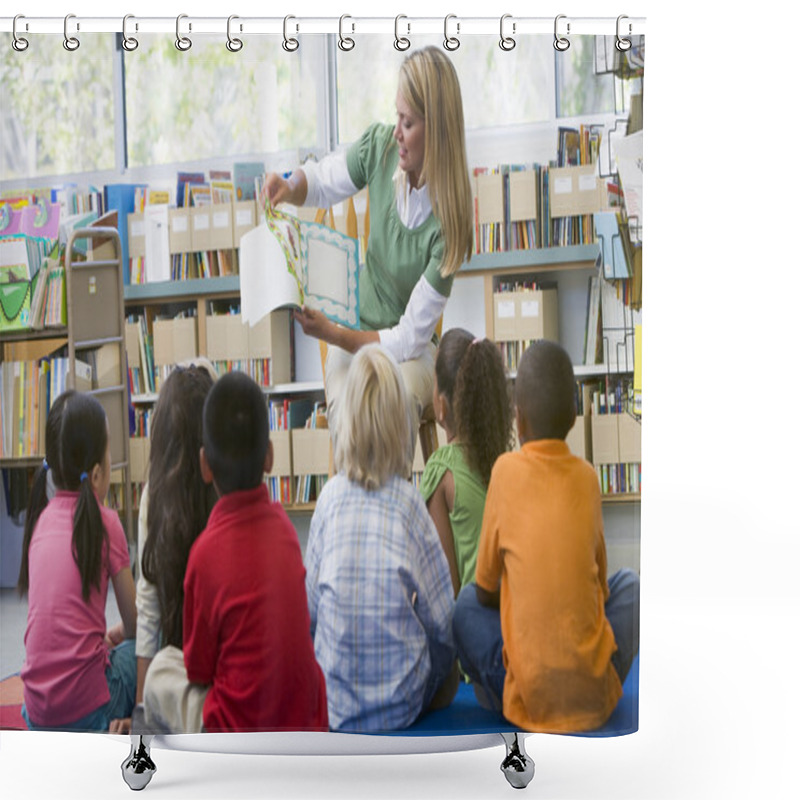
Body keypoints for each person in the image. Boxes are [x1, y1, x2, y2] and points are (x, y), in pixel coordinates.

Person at [261, 46, 473, 441]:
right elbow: (324, 180)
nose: (397, 131)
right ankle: (359, 501)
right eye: (397, 116)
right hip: (356, 326)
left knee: (397, 405)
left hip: (411, 350)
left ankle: (387, 501)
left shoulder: (450, 226)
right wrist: (289, 187)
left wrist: (333, 334)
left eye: (408, 122)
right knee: (347, 404)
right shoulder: (382, 149)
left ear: (437, 131)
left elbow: (409, 336)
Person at [453, 340, 640, 733]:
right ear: (575, 416)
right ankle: (600, 682)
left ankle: (501, 694)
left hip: (530, 702)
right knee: (631, 586)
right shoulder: (589, 478)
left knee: (465, 605)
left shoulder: (504, 471)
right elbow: (602, 593)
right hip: (593, 700)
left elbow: (485, 591)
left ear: (517, 420)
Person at [143, 371, 327, 733]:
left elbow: (198, 670)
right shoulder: (288, 534)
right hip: (306, 725)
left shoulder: (204, 554)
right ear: (270, 457)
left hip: (239, 736)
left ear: (204, 465)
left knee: (162, 669)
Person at [304, 344, 458, 732]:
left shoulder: (328, 500)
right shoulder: (409, 503)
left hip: (333, 710)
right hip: (400, 708)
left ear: (346, 421)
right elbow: (443, 622)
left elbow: (310, 614)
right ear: (399, 423)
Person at [18, 390, 137, 731]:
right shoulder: (107, 523)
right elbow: (135, 626)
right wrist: (118, 635)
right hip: (89, 710)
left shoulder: (41, 520)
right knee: (151, 645)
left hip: (36, 713)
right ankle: (125, 723)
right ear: (98, 473)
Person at [123, 361, 218, 734]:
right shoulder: (224, 488)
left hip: (179, 663)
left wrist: (141, 715)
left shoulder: (152, 497)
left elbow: (148, 613)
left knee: (130, 659)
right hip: (229, 674)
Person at [419, 329, 513, 596]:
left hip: (476, 621)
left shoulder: (441, 469)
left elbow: (446, 588)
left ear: (442, 405)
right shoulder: (508, 462)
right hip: (514, 615)